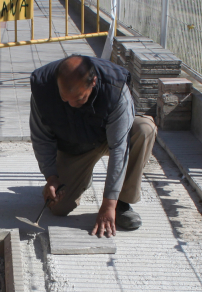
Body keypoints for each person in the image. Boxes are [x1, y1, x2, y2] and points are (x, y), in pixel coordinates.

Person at [29, 54, 157, 237]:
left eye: (79, 99)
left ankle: (122, 201)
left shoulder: (115, 88)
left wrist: (109, 204)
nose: (72, 105)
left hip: (108, 137)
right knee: (58, 207)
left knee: (144, 130)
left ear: (94, 82)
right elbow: (41, 137)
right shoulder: (43, 89)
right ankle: (83, 179)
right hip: (74, 145)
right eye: (66, 100)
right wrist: (51, 177)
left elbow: (119, 149)